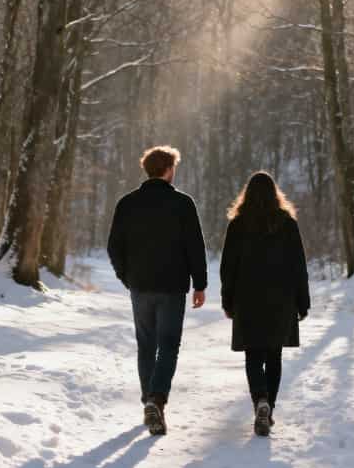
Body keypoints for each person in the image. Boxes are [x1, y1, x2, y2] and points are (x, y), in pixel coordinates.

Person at [107, 145, 207, 436]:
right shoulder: (183, 204)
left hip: (140, 285)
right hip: (172, 286)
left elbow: (114, 246)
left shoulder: (127, 203)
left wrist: (127, 277)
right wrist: (200, 284)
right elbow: (195, 247)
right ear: (168, 170)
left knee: (146, 345)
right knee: (169, 345)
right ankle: (156, 400)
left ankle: (148, 402)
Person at [220, 171, 310, 437]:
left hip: (248, 300)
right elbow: (299, 267)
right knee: (274, 356)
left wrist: (228, 299)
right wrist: (302, 302)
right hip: (281, 300)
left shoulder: (238, 225)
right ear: (275, 194)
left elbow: (228, 268)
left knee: (253, 355)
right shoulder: (287, 223)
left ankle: (259, 400)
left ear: (246, 195)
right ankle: (268, 406)